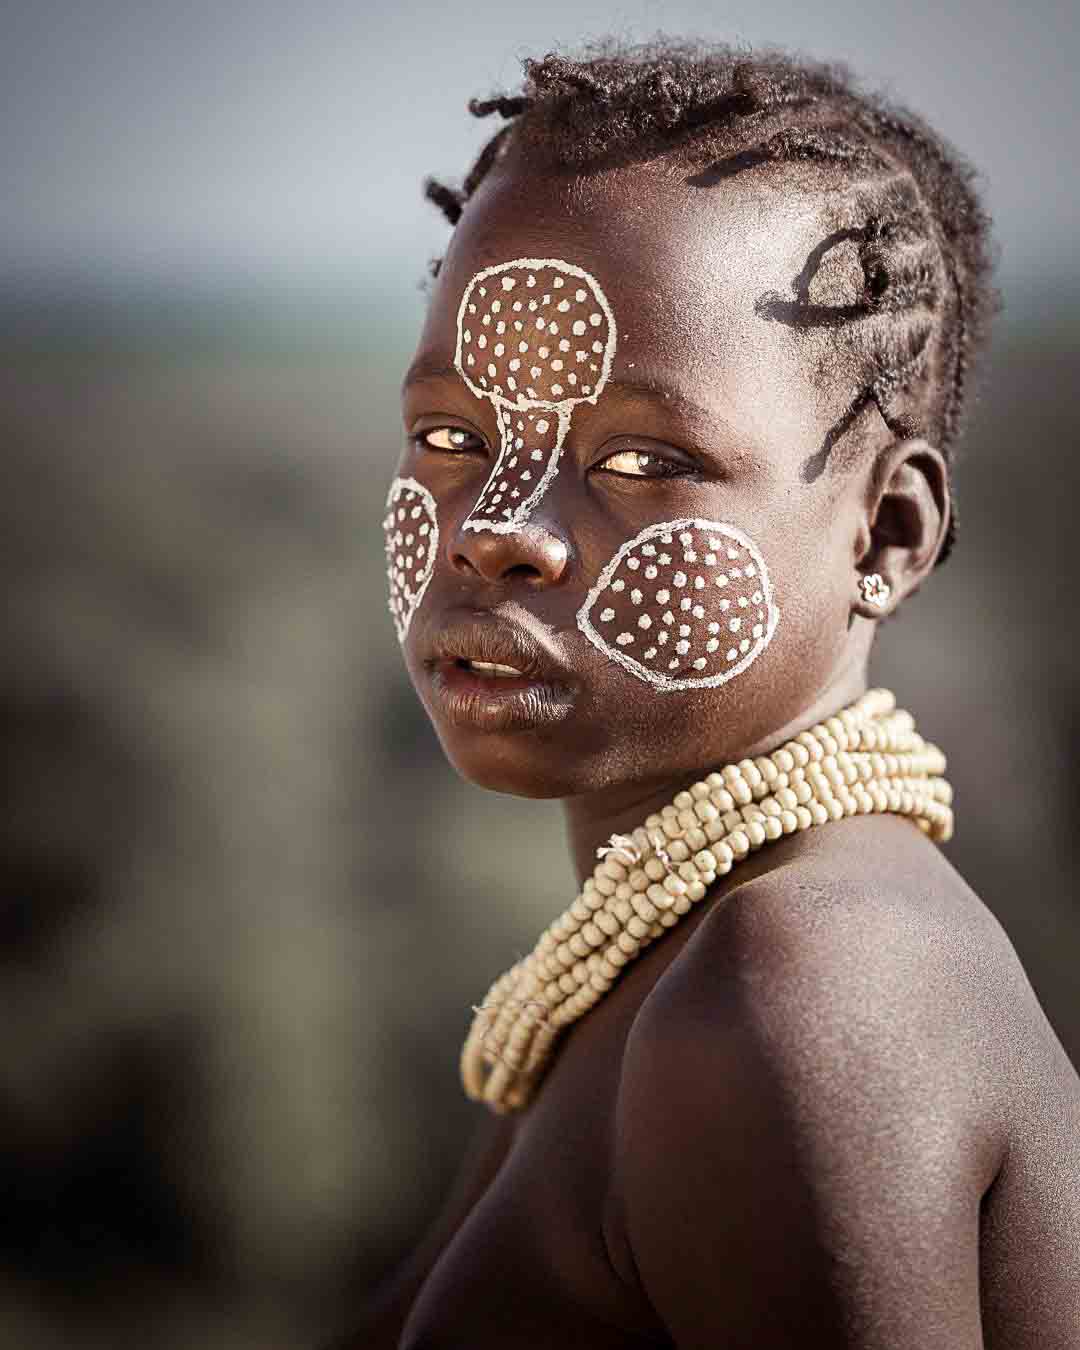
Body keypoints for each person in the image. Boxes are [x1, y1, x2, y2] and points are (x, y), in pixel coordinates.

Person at [360, 39, 1080, 1349]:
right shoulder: (641, 970)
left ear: (887, 536)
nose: (493, 528)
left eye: (644, 455)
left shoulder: (799, 988)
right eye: (453, 437)